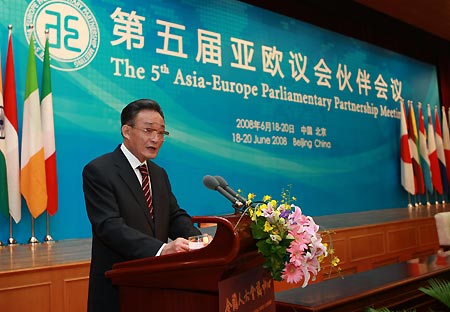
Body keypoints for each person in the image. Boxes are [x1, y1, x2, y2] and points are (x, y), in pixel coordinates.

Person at [83, 99, 202, 312]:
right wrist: (161, 249)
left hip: (157, 286)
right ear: (126, 131)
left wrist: (198, 240)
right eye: (148, 131)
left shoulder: (158, 173)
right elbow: (109, 226)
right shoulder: (99, 170)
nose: (155, 139)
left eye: (161, 133)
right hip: (119, 288)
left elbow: (174, 215)